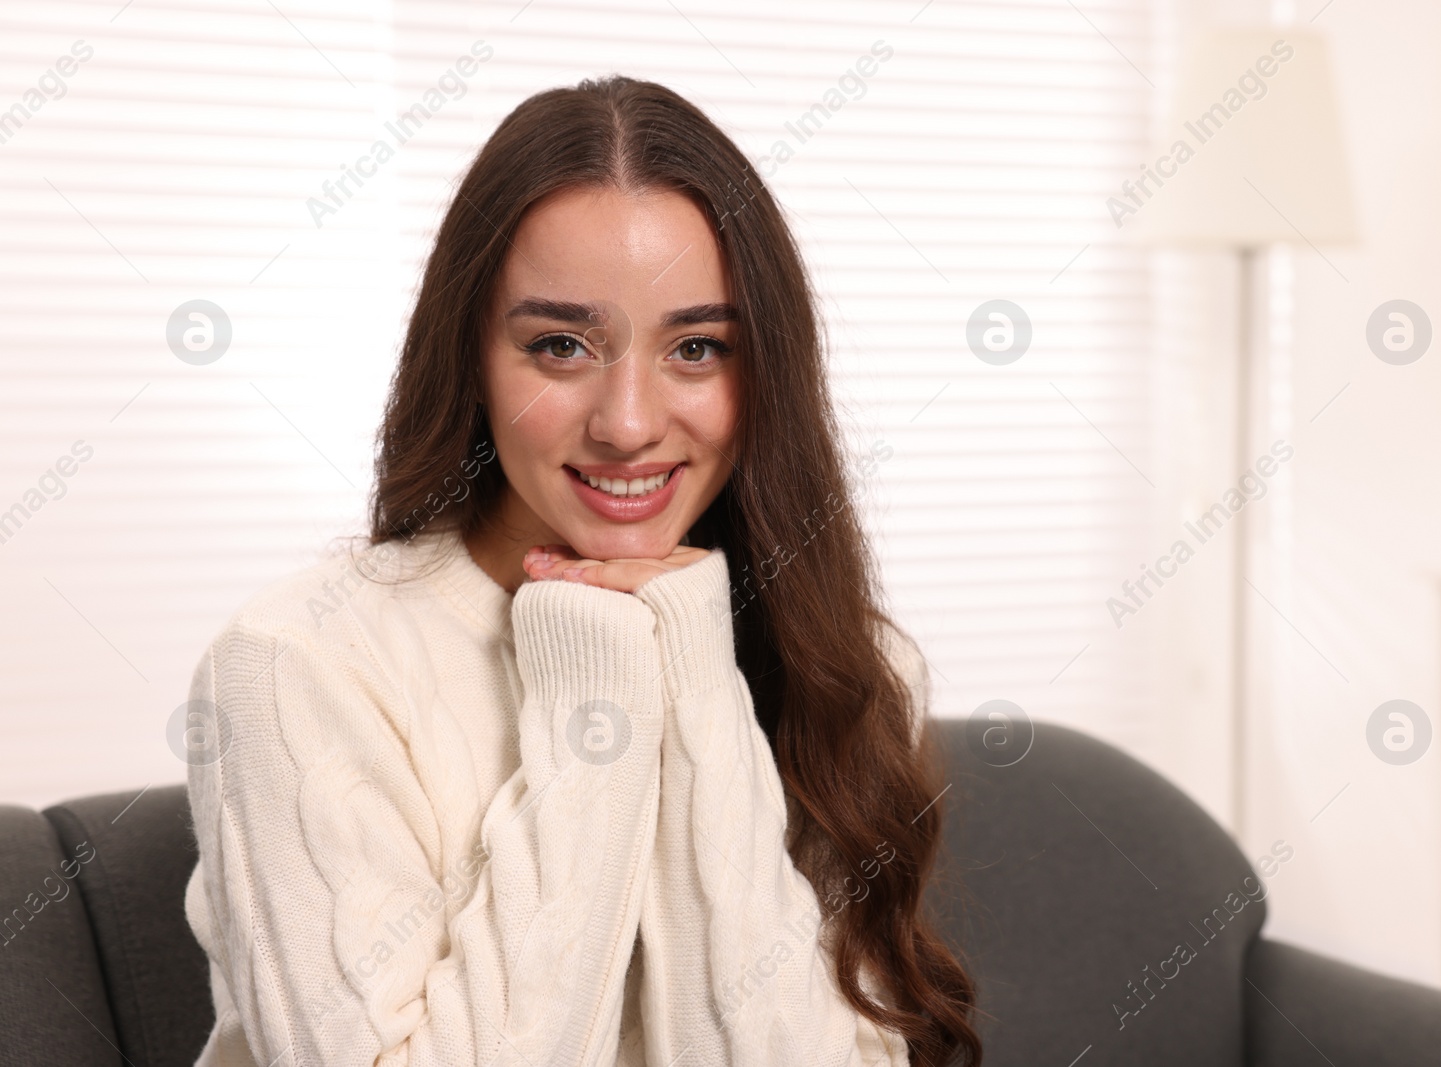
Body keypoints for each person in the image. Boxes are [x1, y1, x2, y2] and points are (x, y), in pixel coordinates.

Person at [181, 74, 980, 1066]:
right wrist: (597, 685)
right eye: (560, 345)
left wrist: (692, 678)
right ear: (469, 356)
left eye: (697, 347)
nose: (630, 422)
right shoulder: (298, 665)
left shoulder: (841, 662)